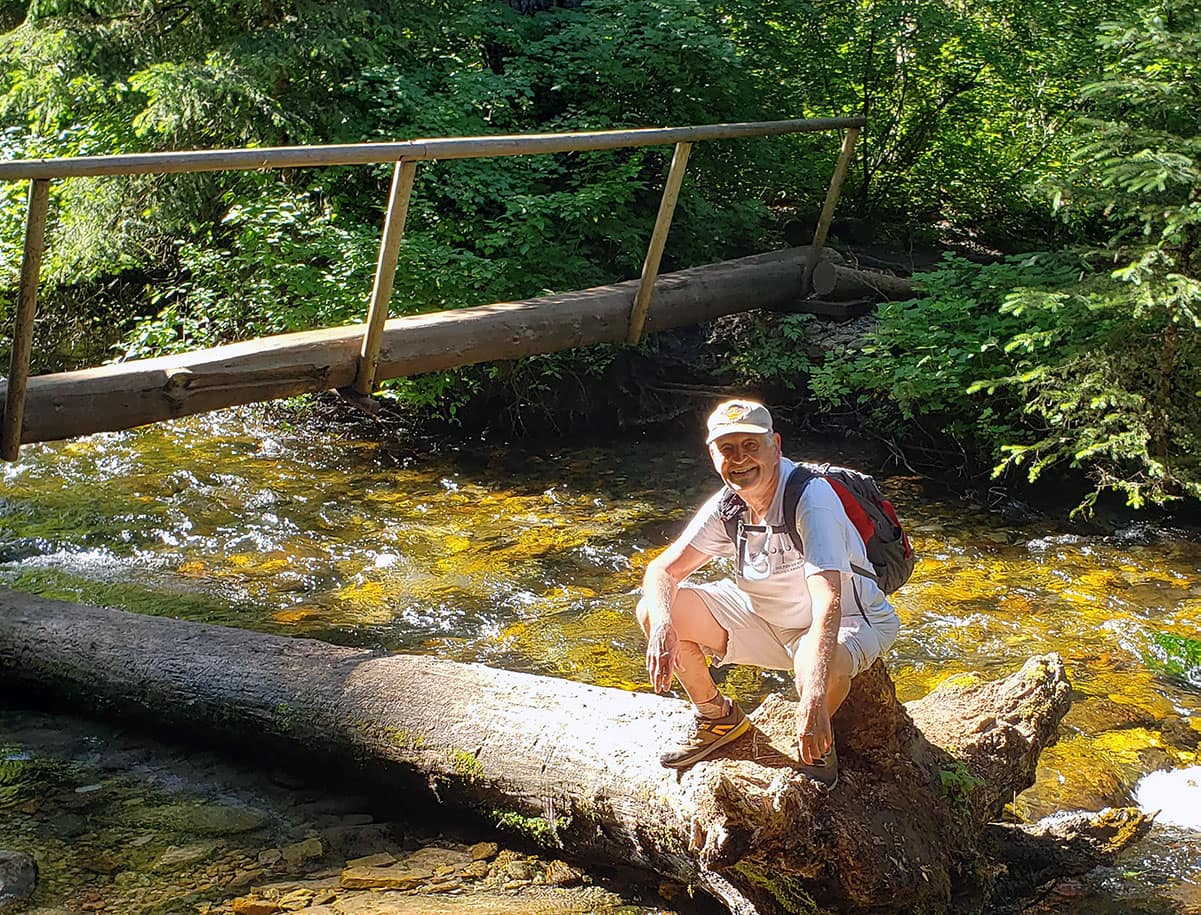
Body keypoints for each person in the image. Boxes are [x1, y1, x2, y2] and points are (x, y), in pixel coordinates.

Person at [636, 399, 900, 786]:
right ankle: (717, 718)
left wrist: (812, 698)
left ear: (775, 445)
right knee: (654, 607)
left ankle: (816, 753)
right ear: (713, 456)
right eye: (727, 449)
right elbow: (662, 569)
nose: (739, 458)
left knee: (814, 665)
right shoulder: (728, 506)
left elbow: (829, 600)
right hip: (765, 619)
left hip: (846, 622)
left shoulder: (811, 498)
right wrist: (662, 628)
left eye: (750, 445)